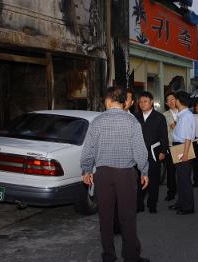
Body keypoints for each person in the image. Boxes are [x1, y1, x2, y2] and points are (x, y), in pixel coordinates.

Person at [80, 86, 150, 262]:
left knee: (106, 218)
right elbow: (140, 151)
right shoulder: (132, 122)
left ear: (109, 100)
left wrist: (86, 169)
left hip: (103, 175)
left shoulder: (97, 121)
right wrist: (144, 170)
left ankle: (108, 257)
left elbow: (88, 149)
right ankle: (131, 256)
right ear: (124, 102)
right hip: (125, 175)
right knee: (127, 217)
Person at [135, 91, 169, 213]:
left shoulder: (159, 117)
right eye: (140, 102)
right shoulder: (135, 117)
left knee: (153, 179)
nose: (142, 104)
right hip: (138, 153)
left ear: (151, 102)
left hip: (154, 152)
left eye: (145, 101)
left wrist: (163, 151)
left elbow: (164, 136)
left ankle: (152, 204)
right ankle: (139, 204)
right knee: (139, 179)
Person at [168, 91, 196, 215]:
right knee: (180, 177)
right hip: (179, 147)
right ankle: (181, 202)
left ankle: (188, 206)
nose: (174, 102)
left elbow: (188, 137)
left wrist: (185, 154)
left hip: (183, 147)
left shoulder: (186, 116)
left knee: (184, 178)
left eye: (175, 99)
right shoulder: (183, 115)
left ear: (179, 101)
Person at [163, 92, 178, 201]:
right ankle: (171, 192)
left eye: (173, 99)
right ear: (166, 103)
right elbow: (165, 131)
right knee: (170, 171)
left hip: (182, 145)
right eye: (168, 100)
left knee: (182, 171)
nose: (171, 101)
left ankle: (182, 191)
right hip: (170, 145)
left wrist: (174, 125)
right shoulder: (164, 115)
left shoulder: (183, 112)